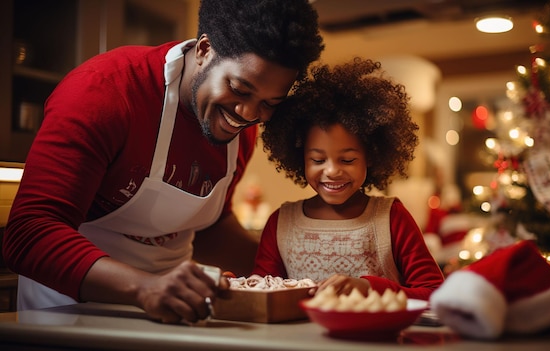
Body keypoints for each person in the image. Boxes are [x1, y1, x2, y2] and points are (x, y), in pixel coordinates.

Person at [2, 0, 324, 324]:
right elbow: (29, 233)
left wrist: (297, 277)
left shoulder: (236, 129)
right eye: (239, 89)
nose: (249, 114)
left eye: (270, 103)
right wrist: (145, 288)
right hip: (68, 312)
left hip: (169, 315)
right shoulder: (105, 92)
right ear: (204, 49)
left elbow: (210, 231)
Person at [252, 58, 445, 300]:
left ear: (371, 156)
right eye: (318, 160)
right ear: (300, 157)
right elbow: (262, 291)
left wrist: (370, 288)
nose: (332, 171)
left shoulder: (391, 218)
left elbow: (435, 293)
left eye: (347, 160)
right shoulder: (281, 223)